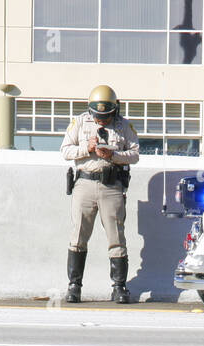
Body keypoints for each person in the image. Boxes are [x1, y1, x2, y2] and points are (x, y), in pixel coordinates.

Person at [60, 85, 140, 304]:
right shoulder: (80, 122)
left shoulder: (123, 126)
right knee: (78, 235)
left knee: (116, 237)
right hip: (85, 182)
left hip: (111, 184)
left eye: (106, 116)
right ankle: (74, 286)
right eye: (98, 116)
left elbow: (134, 154)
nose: (102, 120)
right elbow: (65, 150)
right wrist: (87, 148)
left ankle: (119, 286)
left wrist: (113, 155)